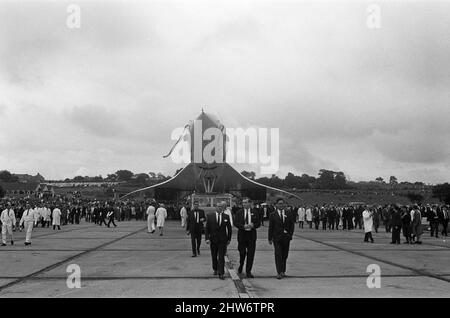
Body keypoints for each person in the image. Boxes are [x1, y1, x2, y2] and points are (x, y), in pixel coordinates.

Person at [268, 198, 295, 279]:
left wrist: (290, 235)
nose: (281, 205)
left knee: (285, 255)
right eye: (279, 203)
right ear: (276, 205)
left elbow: (292, 225)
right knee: (278, 254)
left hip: (286, 238)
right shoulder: (273, 215)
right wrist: (270, 238)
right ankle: (279, 272)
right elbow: (271, 227)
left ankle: (283, 271)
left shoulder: (289, 213)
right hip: (277, 238)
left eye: (282, 203)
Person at [234, 198, 260, 278]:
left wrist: (253, 225)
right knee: (242, 252)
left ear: (250, 203)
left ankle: (248, 271)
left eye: (245, 203)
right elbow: (236, 223)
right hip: (242, 235)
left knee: (251, 254)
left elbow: (258, 223)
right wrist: (242, 226)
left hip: (251, 235)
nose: (244, 204)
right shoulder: (239, 212)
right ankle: (241, 264)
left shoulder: (255, 212)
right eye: (243, 203)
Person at [205, 202, 232, 280]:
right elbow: (207, 228)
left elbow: (229, 229)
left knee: (221, 257)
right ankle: (215, 269)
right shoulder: (210, 216)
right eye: (218, 206)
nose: (220, 208)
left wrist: (229, 239)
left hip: (222, 240)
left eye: (221, 207)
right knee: (214, 255)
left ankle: (221, 273)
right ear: (215, 207)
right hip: (213, 240)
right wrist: (207, 238)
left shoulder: (226, 216)